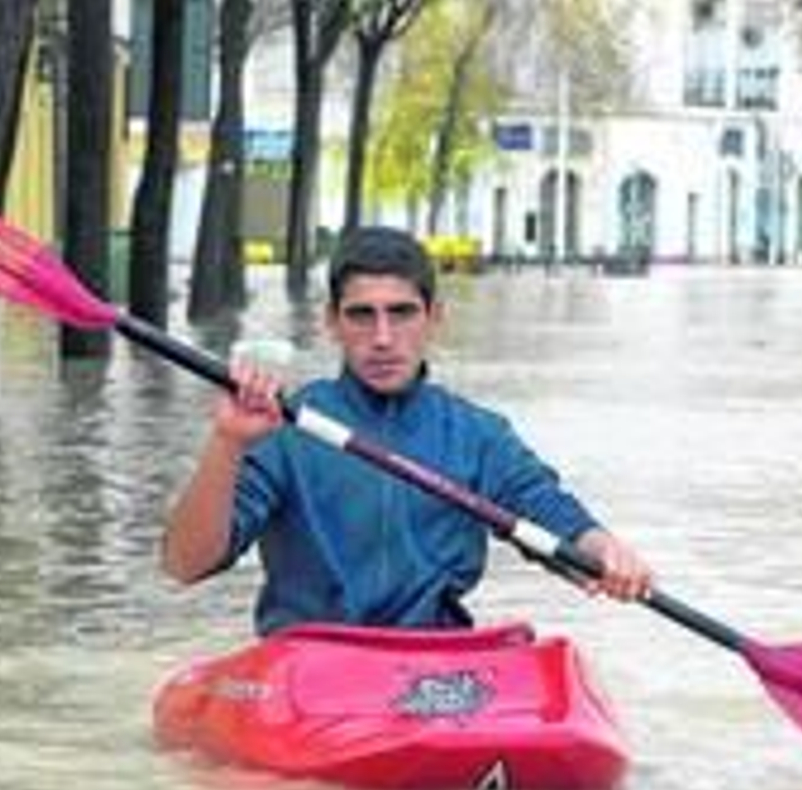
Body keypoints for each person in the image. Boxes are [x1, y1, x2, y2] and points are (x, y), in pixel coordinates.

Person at [161, 226, 654, 635]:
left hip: (433, 665)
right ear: (332, 322)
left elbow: (552, 516)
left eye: (401, 313)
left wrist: (606, 551)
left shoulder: (478, 435)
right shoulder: (283, 428)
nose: (382, 339)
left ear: (434, 317)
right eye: (362, 315)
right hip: (313, 665)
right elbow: (185, 564)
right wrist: (227, 442)